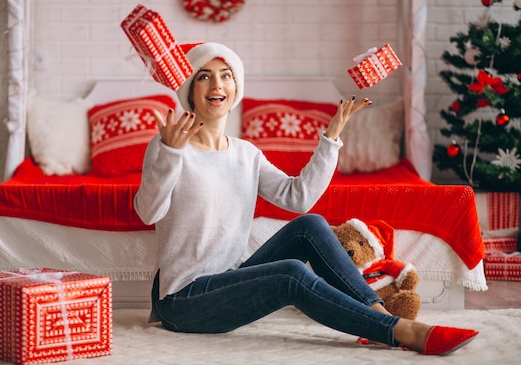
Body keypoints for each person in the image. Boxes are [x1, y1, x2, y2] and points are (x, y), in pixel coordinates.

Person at [134, 42, 478, 355]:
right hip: (183, 300)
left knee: (309, 226)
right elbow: (148, 213)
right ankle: (403, 332)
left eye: (226, 75)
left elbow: (298, 198)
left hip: (231, 279)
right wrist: (170, 154)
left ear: (235, 88)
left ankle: (377, 316)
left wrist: (330, 141)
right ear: (190, 90)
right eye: (204, 77)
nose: (216, 85)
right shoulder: (168, 149)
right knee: (290, 273)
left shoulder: (246, 154)